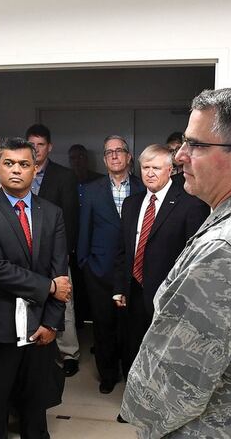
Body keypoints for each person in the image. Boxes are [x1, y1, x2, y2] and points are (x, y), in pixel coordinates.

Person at [121, 88, 231, 438]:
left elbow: (177, 387)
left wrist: (140, 416)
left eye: (196, 146)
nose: (181, 157)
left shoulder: (225, 248)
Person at [0, 137, 72, 439]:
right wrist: (49, 286)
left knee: (35, 406)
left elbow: (60, 272)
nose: (17, 170)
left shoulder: (51, 213)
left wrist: (52, 321)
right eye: (9, 163)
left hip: (40, 325)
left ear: (35, 168)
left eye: (24, 164)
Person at [113, 144, 209, 375]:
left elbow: (193, 257)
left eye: (156, 167)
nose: (150, 173)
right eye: (145, 167)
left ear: (170, 170)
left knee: (164, 355)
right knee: (133, 349)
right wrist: (119, 287)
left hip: (169, 295)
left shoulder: (190, 204)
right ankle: (131, 402)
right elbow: (123, 250)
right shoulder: (131, 204)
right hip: (134, 291)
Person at [78, 135, 145, 394]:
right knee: (103, 325)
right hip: (99, 269)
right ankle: (107, 374)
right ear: (105, 159)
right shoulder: (92, 189)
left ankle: (132, 375)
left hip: (132, 271)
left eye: (120, 151)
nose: (115, 155)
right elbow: (84, 229)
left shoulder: (142, 187)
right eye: (109, 152)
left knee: (130, 327)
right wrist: (84, 262)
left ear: (129, 157)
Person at [25, 124, 82, 377]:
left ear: (49, 147)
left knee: (63, 302)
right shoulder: (20, 171)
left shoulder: (64, 176)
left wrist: (65, 252)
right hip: (24, 252)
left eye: (40, 144)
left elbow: (70, 218)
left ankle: (69, 353)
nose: (36, 149)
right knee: (29, 300)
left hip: (55, 252)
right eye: (32, 144)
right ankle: (33, 348)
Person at [67, 143, 103, 326]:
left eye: (81, 157)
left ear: (86, 159)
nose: (77, 161)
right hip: (72, 240)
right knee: (74, 286)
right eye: (73, 158)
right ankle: (79, 323)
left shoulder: (99, 180)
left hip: (95, 241)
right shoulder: (65, 181)